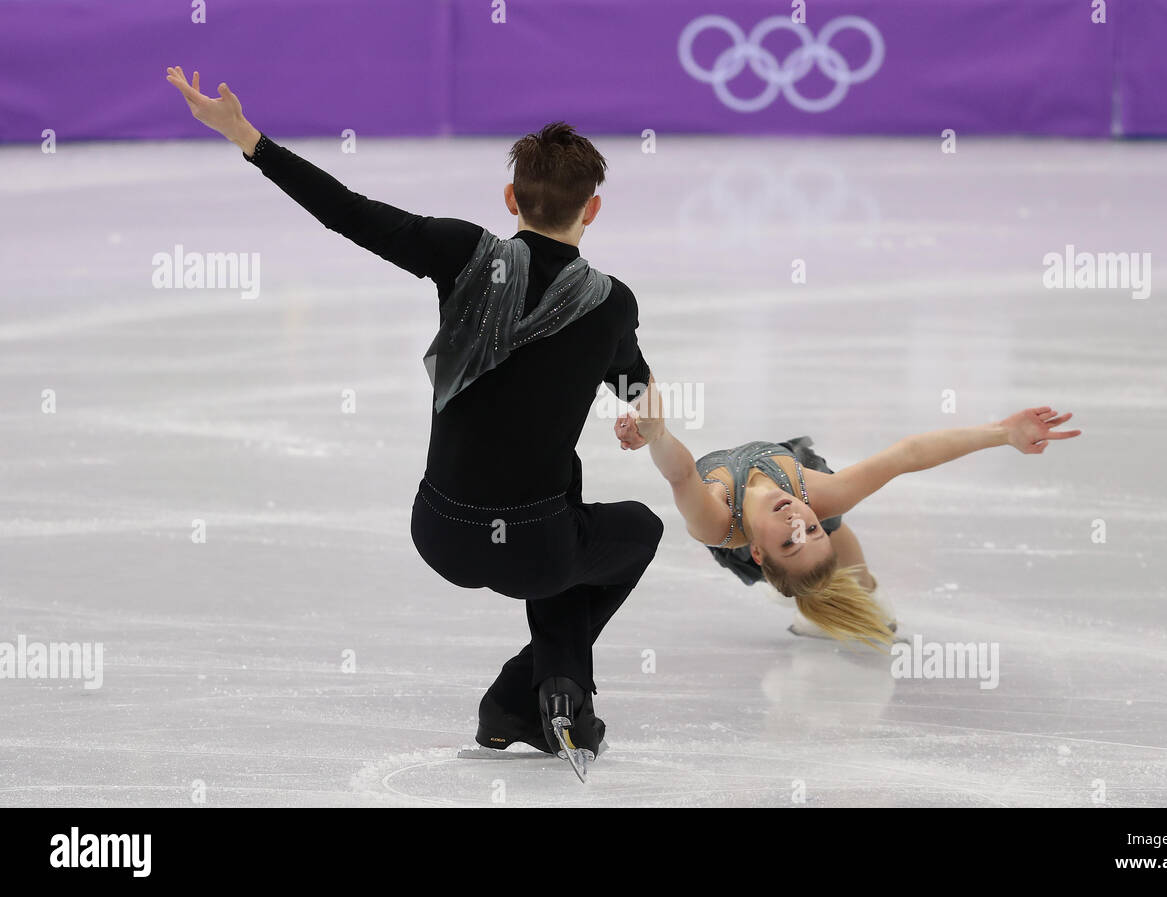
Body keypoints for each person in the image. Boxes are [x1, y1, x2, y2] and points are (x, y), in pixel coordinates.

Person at [165, 68, 663, 777]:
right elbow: (638, 392)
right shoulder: (611, 303)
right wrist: (640, 421)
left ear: (510, 199)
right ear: (595, 209)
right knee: (631, 528)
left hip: (441, 532)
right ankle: (544, 688)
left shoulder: (463, 253)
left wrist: (245, 136)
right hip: (535, 549)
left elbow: (349, 211)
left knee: (563, 491)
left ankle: (535, 701)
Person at [615, 402, 1081, 643]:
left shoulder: (714, 522)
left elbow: (678, 472)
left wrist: (655, 434)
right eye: (809, 530)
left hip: (747, 516)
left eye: (791, 542)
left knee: (831, 548)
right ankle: (847, 596)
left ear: (758, 553)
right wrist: (1001, 434)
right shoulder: (818, 498)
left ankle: (843, 601)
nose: (800, 523)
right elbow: (907, 456)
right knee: (834, 537)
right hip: (793, 472)